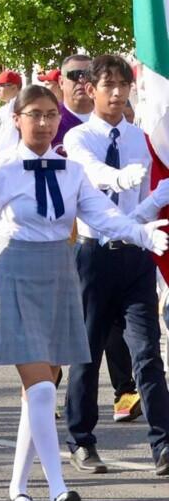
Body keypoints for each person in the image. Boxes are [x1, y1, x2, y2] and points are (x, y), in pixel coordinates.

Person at [0, 83, 167, 501]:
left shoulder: (70, 173)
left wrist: (142, 233)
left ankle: (16, 487)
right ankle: (58, 487)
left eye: (51, 115)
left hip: (59, 274)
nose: (45, 123)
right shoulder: (0, 174)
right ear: (17, 120)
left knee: (40, 391)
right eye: (35, 115)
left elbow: (100, 216)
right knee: (44, 388)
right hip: (15, 274)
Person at [61, 56, 169, 476]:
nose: (117, 93)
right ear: (91, 89)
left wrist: (149, 205)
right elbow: (92, 174)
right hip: (94, 256)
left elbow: (149, 192)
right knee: (86, 352)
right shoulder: (80, 138)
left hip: (134, 255)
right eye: (109, 85)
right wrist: (119, 178)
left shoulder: (142, 138)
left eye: (124, 85)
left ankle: (163, 442)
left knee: (146, 352)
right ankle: (82, 440)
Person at [54, 54, 94, 148]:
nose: (82, 80)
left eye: (88, 75)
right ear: (61, 82)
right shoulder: (51, 120)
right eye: (74, 75)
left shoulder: (109, 120)